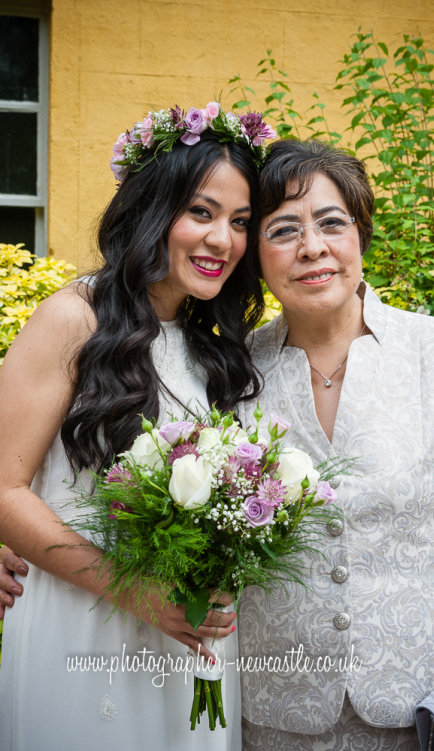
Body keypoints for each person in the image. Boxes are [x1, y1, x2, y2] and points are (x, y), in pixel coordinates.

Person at [0, 103, 275, 750]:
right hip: (83, 623)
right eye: (201, 212)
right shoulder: (74, 318)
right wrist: (141, 596)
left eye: (240, 222)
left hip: (189, 638)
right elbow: (5, 490)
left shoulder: (213, 348)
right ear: (152, 208)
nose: (223, 240)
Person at [235, 140, 434, 750]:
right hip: (275, 710)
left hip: (426, 704)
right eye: (283, 230)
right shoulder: (230, 370)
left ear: (361, 235)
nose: (312, 247)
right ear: (256, 254)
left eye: (332, 223)